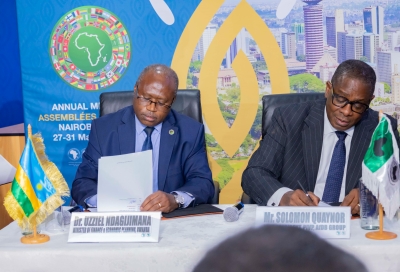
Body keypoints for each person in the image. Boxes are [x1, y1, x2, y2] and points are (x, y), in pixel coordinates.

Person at [242, 59, 400, 214]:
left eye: (358, 105)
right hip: (298, 224)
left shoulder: (382, 128)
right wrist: (284, 196)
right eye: (340, 99)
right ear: (328, 89)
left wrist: (371, 195)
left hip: (353, 224)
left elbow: (394, 182)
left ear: (370, 101)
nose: (346, 111)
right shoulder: (289, 119)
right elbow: (255, 173)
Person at [71, 64, 214, 213]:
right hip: (118, 218)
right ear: (136, 90)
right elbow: (83, 181)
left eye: (161, 102)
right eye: (146, 98)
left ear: (172, 101)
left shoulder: (190, 131)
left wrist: (175, 199)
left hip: (169, 220)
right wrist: (104, 203)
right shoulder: (103, 129)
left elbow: (202, 182)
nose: (151, 108)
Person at [193, 225, 367, 272]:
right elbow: (255, 173)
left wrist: (370, 192)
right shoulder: (288, 132)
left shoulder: (380, 135)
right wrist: (283, 195)